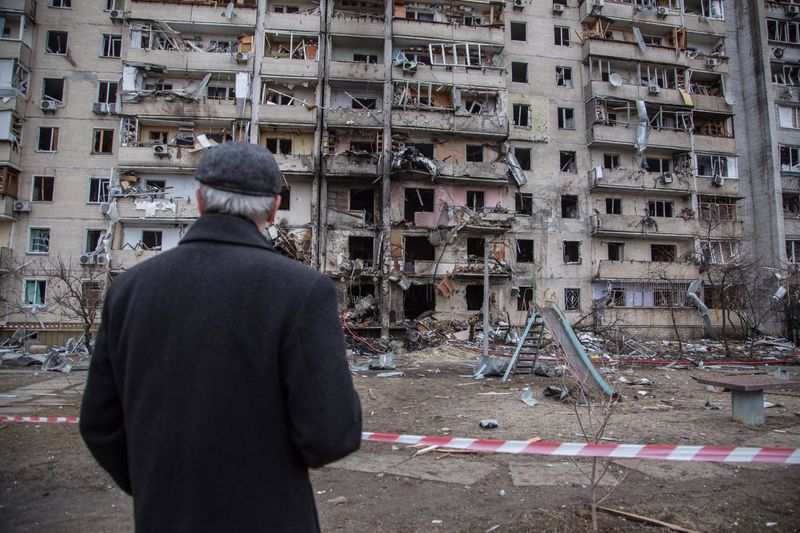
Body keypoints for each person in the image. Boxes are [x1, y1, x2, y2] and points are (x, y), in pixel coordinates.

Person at [80, 143, 362, 532]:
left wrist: (157, 486)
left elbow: (99, 423)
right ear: (274, 208)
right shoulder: (303, 291)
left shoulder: (129, 289)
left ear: (200, 200)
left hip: (165, 518)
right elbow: (331, 435)